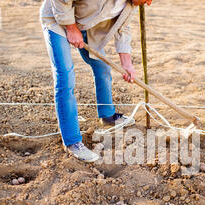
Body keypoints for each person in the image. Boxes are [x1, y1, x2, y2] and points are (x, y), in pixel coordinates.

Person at [40, 0, 153, 162]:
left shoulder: (133, 3)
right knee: (65, 76)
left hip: (85, 25)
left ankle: (107, 116)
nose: (148, 3)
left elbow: (123, 28)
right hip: (57, 19)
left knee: (103, 68)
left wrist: (126, 63)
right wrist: (71, 28)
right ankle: (72, 142)